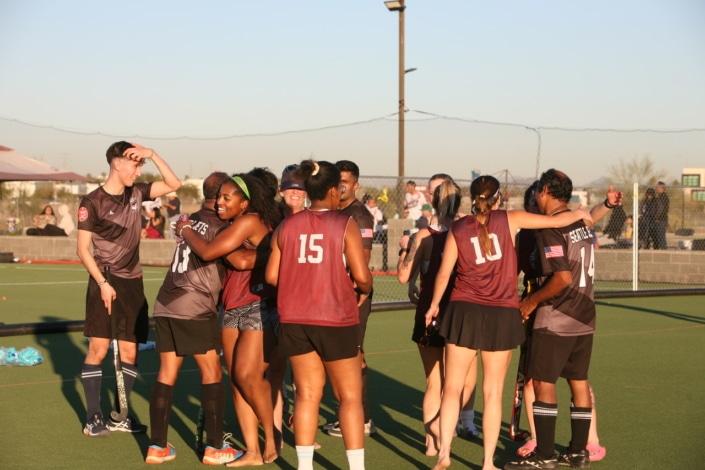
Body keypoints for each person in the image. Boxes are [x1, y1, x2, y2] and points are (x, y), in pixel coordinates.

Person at [425, 174, 592, 470]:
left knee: (451, 388)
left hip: (463, 311)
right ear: (498, 198)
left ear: (472, 198)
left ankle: (444, 453)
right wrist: (582, 213)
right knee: (492, 393)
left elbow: (443, 273)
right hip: (501, 313)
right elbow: (555, 220)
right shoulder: (510, 218)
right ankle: (488, 462)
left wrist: (434, 305)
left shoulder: (459, 227)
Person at [265, 159, 372, 470]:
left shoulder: (287, 225)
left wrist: (301, 282)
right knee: (349, 396)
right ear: (332, 190)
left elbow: (271, 276)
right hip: (335, 316)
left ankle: (304, 466)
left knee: (307, 395)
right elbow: (362, 276)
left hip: (295, 318)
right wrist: (363, 289)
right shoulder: (345, 224)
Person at [504, 169, 612, 470]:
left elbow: (561, 278)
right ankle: (578, 452)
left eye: (539, 190)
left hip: (556, 316)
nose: (536, 196)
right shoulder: (581, 224)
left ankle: (545, 454)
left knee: (543, 382)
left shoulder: (550, 230)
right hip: (585, 316)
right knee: (579, 381)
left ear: (545, 191)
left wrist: (529, 302)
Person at [176, 172, 281, 467]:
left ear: (245, 203)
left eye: (226, 197)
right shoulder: (232, 225)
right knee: (236, 381)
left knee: (248, 376)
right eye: (218, 197)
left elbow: (212, 252)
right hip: (231, 306)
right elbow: (239, 260)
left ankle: (271, 436)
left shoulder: (249, 221)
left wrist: (185, 230)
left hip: (259, 305)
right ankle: (252, 451)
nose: (218, 202)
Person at [77, 141, 181, 437]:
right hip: (105, 281)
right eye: (135, 165)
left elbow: (174, 184)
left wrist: (153, 155)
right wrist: (102, 284)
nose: (138, 172)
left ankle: (119, 415)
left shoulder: (137, 192)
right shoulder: (92, 202)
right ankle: (93, 417)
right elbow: (82, 250)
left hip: (133, 282)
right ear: (117, 163)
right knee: (98, 349)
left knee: (130, 352)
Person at [145, 172, 240, 465]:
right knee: (212, 373)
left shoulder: (189, 219)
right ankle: (215, 446)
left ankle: (157, 446)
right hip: (195, 306)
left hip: (166, 302)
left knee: (166, 373)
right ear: (222, 195)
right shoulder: (222, 225)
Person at [397, 174, 478, 457]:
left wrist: (404, 248)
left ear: (433, 202)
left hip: (429, 313)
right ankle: (450, 432)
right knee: (458, 382)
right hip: (461, 313)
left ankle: (431, 443)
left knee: (434, 382)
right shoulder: (469, 232)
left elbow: (403, 275)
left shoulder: (424, 237)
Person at [323, 160, 377, 438]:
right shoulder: (335, 211)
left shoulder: (359, 215)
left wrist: (356, 291)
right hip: (332, 293)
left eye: (345, 181)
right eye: (337, 181)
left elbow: (362, 261)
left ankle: (363, 420)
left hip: (351, 295)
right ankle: (350, 414)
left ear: (356, 185)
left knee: (354, 354)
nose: (340, 186)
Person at [653, 181, 669, 249]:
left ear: (661, 188)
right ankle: (660, 248)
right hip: (660, 219)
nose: (656, 188)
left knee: (661, 236)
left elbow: (661, 209)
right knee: (658, 236)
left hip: (661, 219)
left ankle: (663, 249)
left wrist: (656, 217)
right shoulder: (659, 197)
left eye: (657, 187)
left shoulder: (663, 197)